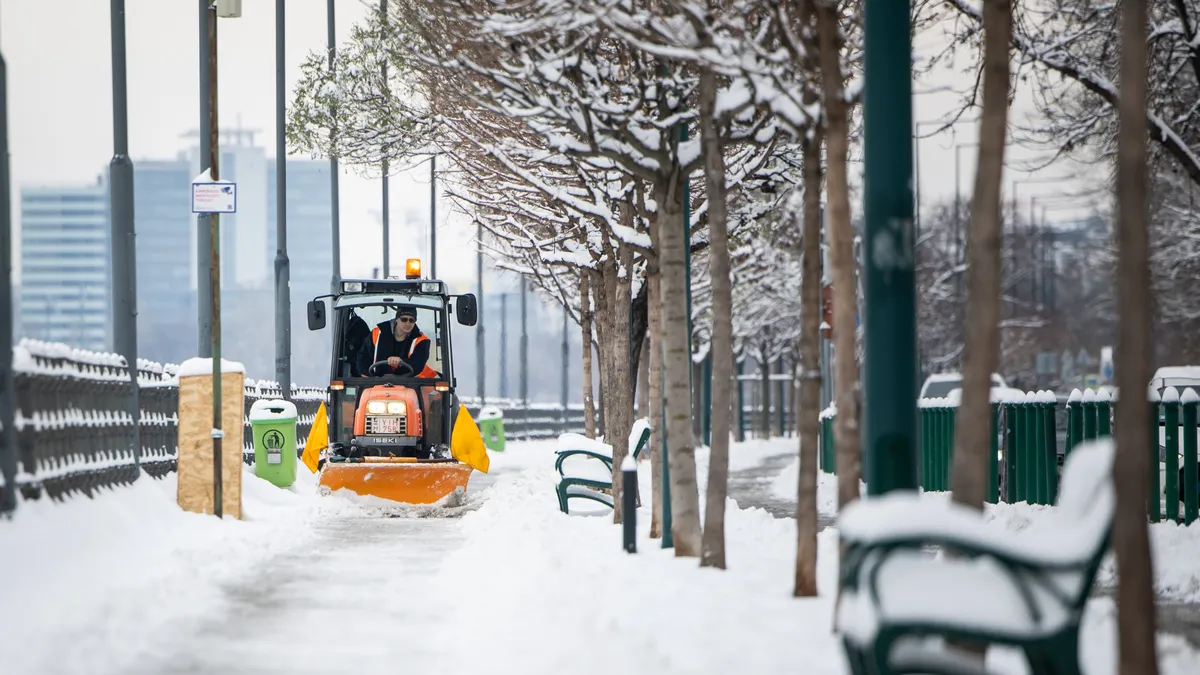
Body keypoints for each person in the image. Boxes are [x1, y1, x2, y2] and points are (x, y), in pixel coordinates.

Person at [357, 305, 440, 378]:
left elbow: (417, 365)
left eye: (411, 320)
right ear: (397, 319)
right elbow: (363, 357)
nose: (408, 323)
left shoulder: (422, 341)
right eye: (404, 319)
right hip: (377, 382)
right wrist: (367, 377)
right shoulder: (377, 333)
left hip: (413, 383)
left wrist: (400, 363)